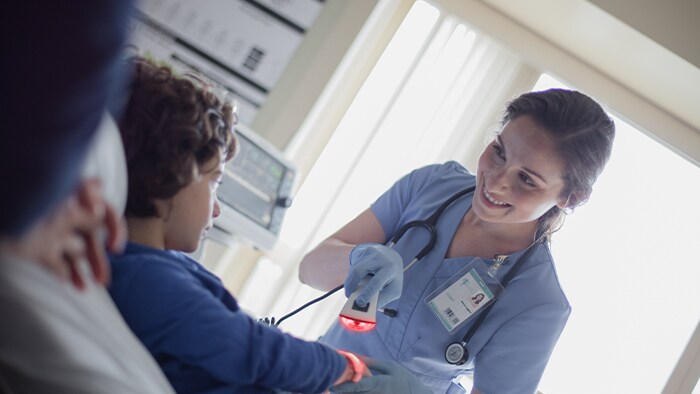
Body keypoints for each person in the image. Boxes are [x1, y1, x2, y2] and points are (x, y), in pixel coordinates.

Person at [298, 88, 616, 393]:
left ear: (570, 197)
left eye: (526, 179)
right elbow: (309, 270)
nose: (496, 180)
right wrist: (357, 258)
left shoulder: (538, 302)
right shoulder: (432, 185)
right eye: (499, 152)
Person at [107, 57, 372, 394]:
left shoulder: (158, 266)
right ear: (168, 176)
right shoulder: (143, 279)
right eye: (214, 182)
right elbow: (252, 350)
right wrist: (346, 366)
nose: (217, 210)